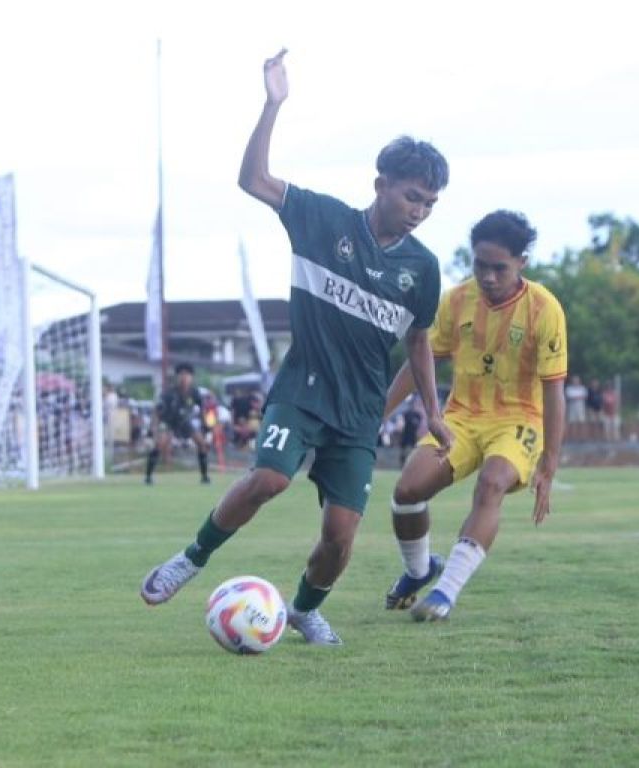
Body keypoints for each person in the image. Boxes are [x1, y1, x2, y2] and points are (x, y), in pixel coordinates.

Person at [140, 49, 452, 647]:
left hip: (359, 414)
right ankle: (190, 559)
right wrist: (272, 104)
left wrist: (432, 412)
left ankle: (306, 610)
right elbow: (252, 179)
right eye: (413, 197)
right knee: (269, 480)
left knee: (340, 533)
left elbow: (418, 341)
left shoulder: (423, 267)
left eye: (430, 204)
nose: (420, 212)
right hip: (303, 390)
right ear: (381, 184)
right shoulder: (321, 219)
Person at [382, 210, 567, 622]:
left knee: (492, 483)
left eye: (499, 268)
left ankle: (445, 593)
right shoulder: (456, 300)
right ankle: (419, 571)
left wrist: (550, 462)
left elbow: (554, 389)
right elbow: (422, 359)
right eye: (480, 265)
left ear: (522, 262)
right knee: (408, 491)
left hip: (518, 420)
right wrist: (380, 412)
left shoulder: (544, 309)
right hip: (462, 418)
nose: (487, 276)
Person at [145, 363, 211, 485]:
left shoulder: (194, 392)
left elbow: (202, 410)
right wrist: (152, 429)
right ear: (177, 377)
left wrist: (205, 426)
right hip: (169, 421)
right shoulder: (169, 393)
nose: (184, 378)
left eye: (187, 375)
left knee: (202, 443)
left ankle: (205, 476)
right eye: (182, 375)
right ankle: (148, 477)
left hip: (185, 422)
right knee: (160, 444)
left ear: (191, 378)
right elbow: (157, 411)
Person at [397, 396, 423, 467]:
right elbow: (401, 425)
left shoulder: (418, 415)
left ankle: (413, 464)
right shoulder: (405, 414)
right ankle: (402, 465)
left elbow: (419, 427)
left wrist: (419, 435)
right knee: (403, 451)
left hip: (413, 436)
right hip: (406, 435)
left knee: (414, 451)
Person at [564, 375, 586, 441]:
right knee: (572, 423)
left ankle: (582, 437)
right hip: (572, 408)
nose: (575, 381)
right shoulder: (569, 388)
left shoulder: (582, 388)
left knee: (581, 422)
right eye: (574, 380)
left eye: (577, 380)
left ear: (579, 381)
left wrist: (575, 397)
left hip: (580, 408)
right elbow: (568, 397)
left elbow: (584, 397)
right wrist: (578, 397)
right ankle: (573, 437)